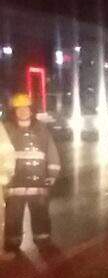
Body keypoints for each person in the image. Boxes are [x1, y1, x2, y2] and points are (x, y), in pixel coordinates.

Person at [0, 92, 61, 257]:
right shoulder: (6, 129)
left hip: (39, 183)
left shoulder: (41, 130)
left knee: (40, 215)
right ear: (14, 111)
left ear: (31, 110)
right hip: (14, 184)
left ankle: (43, 242)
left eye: (25, 109)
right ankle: (12, 245)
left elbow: (51, 153)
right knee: (13, 218)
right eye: (19, 109)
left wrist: (52, 175)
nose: (22, 112)